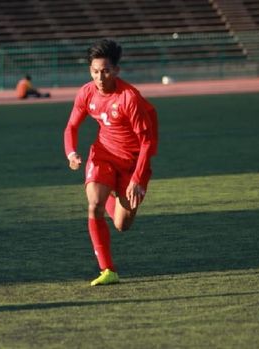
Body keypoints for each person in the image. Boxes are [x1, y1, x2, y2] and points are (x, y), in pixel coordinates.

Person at [63, 39, 158, 286]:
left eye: (105, 71)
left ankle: (116, 190)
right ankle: (108, 270)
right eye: (95, 71)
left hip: (133, 162)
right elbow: (71, 126)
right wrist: (71, 153)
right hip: (103, 154)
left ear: (116, 70)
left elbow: (147, 141)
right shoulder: (86, 92)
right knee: (94, 204)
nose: (100, 76)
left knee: (122, 225)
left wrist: (137, 178)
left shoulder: (129, 98)